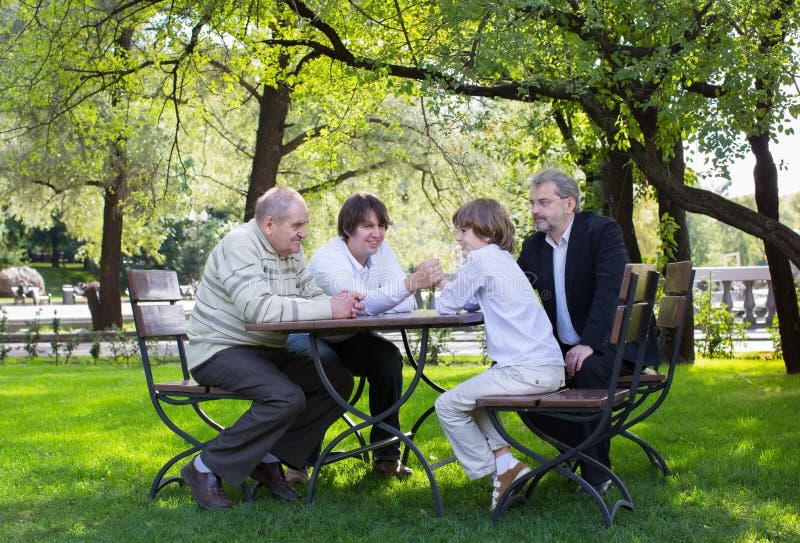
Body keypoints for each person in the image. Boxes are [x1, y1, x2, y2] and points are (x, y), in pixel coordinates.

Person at [182, 186, 364, 509]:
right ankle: (204, 466)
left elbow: (311, 295)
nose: (304, 234)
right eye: (297, 226)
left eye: (304, 225)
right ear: (269, 224)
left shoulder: (290, 251)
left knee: (336, 381)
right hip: (219, 349)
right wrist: (330, 309)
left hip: (262, 349)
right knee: (285, 396)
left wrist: (340, 304)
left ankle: (267, 457)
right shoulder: (239, 245)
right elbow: (260, 310)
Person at [287, 192, 443, 479]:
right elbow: (362, 306)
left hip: (347, 336)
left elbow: (404, 302)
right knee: (328, 368)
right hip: (308, 335)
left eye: (382, 226)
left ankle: (386, 455)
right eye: (368, 226)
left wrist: (396, 292)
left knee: (387, 357)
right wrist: (408, 285)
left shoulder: (381, 251)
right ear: (348, 229)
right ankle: (298, 462)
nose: (378, 234)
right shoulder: (327, 260)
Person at [516, 167, 651, 495]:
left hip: (613, 346)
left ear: (569, 203)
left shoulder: (602, 232)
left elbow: (610, 292)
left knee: (587, 368)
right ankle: (579, 450)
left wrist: (590, 343)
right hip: (562, 348)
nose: (535, 210)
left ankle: (596, 472)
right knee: (513, 378)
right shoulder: (533, 246)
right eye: (533, 203)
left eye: (543, 202)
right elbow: (511, 290)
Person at [433, 198, 565, 511]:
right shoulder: (502, 260)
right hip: (544, 368)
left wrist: (439, 283)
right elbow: (473, 300)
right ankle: (505, 464)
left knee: (447, 405)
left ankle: (495, 472)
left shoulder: (480, 260)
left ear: (487, 233)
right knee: (472, 399)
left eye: (464, 230)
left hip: (525, 371)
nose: (459, 238)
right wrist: (453, 289)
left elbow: (446, 305)